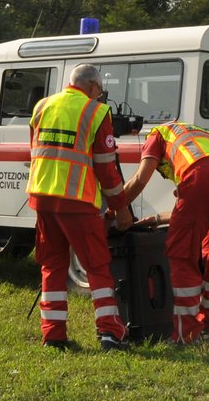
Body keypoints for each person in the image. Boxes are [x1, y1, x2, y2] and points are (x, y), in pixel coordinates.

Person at [28, 63, 135, 351]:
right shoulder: (96, 112)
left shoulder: (42, 106)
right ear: (91, 86)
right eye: (99, 90)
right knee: (97, 266)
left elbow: (36, 151)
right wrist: (121, 207)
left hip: (42, 196)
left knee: (53, 265)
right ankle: (110, 333)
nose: (100, 95)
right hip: (76, 198)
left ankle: (53, 335)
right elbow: (106, 169)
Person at [123, 121, 209, 344]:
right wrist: (158, 218)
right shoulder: (195, 136)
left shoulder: (155, 136)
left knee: (182, 253)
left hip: (202, 175)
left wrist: (115, 210)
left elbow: (140, 179)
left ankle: (185, 334)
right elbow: (198, 202)